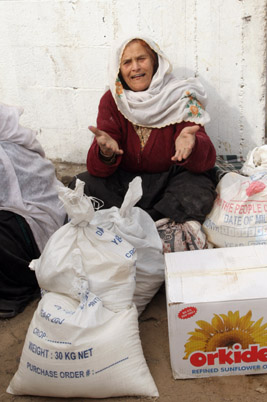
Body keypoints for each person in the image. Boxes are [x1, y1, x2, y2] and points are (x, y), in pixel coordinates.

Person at [70, 36, 217, 237]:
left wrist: (192, 144)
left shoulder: (181, 96)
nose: (135, 67)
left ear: (155, 62)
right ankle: (158, 222)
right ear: (119, 69)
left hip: (169, 182)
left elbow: (206, 161)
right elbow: (97, 169)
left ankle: (143, 225)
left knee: (197, 188)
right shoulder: (113, 100)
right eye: (127, 62)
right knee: (82, 185)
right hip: (125, 184)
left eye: (142, 59)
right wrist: (106, 152)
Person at [0, 103, 66, 318]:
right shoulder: (19, 138)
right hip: (49, 221)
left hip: (31, 230)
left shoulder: (5, 153)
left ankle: (15, 292)